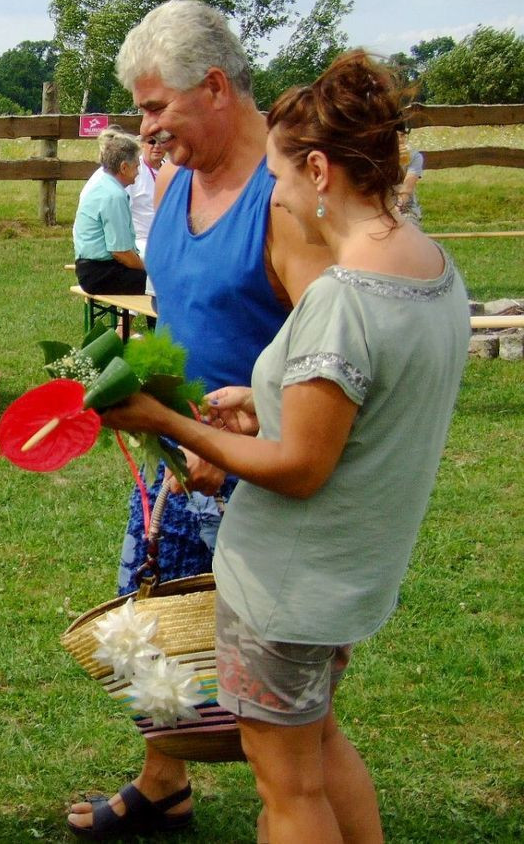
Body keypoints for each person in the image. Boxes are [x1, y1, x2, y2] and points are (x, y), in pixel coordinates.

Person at [101, 49, 469, 843]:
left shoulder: (342, 298)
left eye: (284, 182)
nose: (283, 201)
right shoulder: (435, 270)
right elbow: (355, 410)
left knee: (288, 790)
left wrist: (171, 422)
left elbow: (301, 467)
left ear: (319, 171)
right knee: (320, 737)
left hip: (287, 587)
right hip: (351, 573)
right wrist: (259, 401)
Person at [67, 0, 331, 840]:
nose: (144, 128)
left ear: (214, 86)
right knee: (148, 628)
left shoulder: (284, 199)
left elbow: (330, 349)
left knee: (272, 693)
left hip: (255, 476)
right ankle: (164, 780)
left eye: (154, 107)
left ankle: (299, 805)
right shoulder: (179, 180)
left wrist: (250, 427)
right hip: (176, 454)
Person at [73, 129, 146, 298]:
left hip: (92, 270)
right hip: (100, 274)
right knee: (162, 283)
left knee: (156, 279)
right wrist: (148, 268)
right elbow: (120, 252)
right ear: (123, 167)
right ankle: (161, 325)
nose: (138, 171)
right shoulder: (114, 195)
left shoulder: (102, 184)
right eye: (137, 166)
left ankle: (152, 324)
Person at [126, 133, 168, 284]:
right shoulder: (135, 172)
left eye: (162, 141)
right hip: (141, 240)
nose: (157, 146)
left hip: (167, 239)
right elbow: (124, 211)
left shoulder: (171, 169)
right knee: (157, 260)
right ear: (143, 144)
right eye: (152, 142)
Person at [395, 128, 424, 226]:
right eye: (396, 136)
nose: (400, 139)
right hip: (379, 208)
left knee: (406, 226)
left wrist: (397, 208)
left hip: (405, 209)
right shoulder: (377, 157)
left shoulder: (415, 157)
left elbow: (407, 188)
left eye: (402, 135)